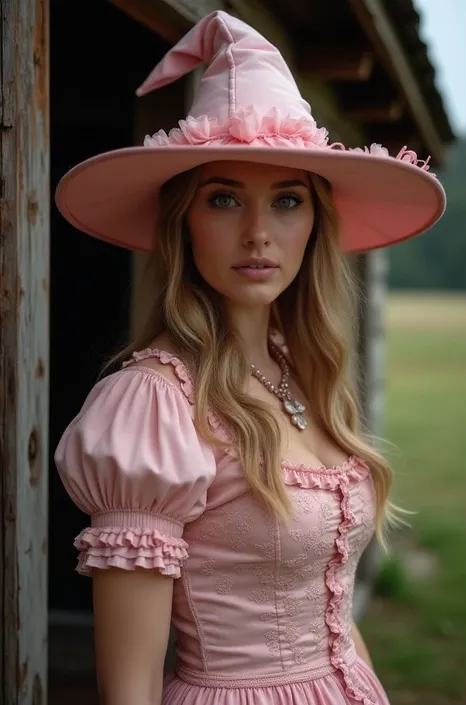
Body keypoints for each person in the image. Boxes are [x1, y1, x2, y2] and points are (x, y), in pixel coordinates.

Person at [53, 10, 446, 705]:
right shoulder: (152, 403)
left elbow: (334, 624)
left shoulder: (302, 372)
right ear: (184, 222)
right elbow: (130, 687)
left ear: (315, 224)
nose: (259, 233)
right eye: (225, 198)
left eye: (287, 200)